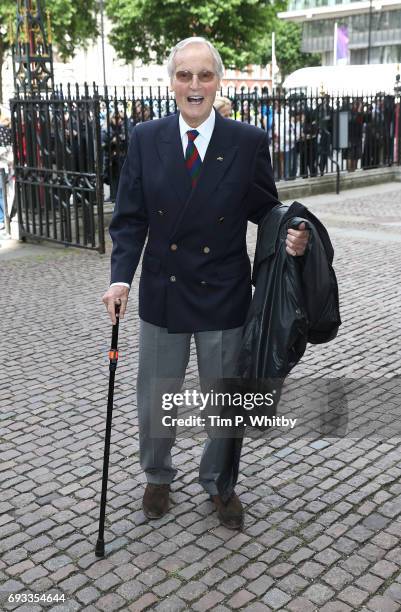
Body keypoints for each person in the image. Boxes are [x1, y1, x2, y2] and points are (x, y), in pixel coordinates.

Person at [102, 37, 308, 530]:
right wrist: (119, 281)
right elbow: (130, 219)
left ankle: (220, 482)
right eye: (184, 76)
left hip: (223, 290)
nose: (194, 86)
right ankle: (157, 475)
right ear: (171, 83)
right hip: (164, 291)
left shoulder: (246, 141)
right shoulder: (145, 138)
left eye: (204, 75)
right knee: (156, 393)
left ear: (219, 82)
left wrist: (290, 237)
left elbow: (265, 208)